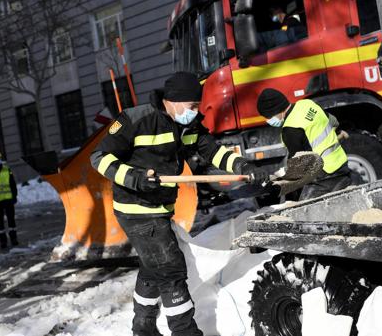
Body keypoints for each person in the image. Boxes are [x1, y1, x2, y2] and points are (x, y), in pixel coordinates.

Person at [90, 72, 268, 336]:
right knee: (172, 268)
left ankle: (143, 327)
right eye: (192, 106)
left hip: (160, 208)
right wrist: (135, 178)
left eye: (197, 106)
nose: (195, 112)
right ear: (172, 101)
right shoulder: (136, 119)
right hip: (135, 209)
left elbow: (212, 151)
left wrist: (242, 165)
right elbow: (99, 157)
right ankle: (184, 331)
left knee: (153, 266)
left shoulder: (186, 125)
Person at [256, 88, 352, 199]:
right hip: (341, 164)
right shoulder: (306, 104)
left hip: (324, 176)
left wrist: (277, 179)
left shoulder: (290, 129)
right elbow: (332, 121)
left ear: (275, 112)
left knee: (304, 207)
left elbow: (298, 169)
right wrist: (339, 132)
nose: (268, 120)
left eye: (268, 117)